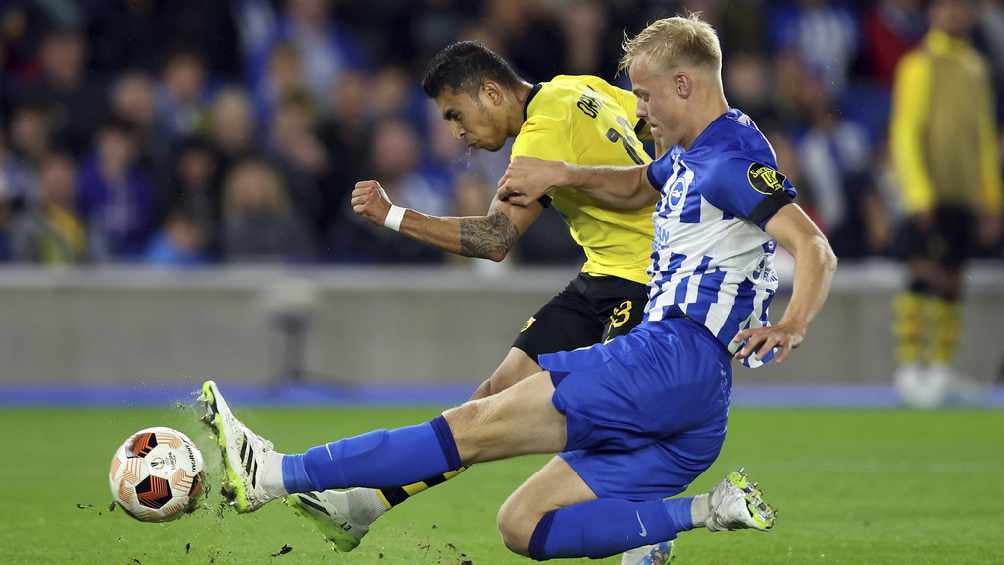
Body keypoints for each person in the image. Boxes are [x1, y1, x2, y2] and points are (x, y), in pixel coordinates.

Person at [200, 15, 838, 561]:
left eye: (646, 95)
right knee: (520, 521)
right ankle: (706, 510)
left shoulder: (720, 161)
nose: (640, 111)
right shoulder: (699, 141)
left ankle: (278, 475)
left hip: (662, 347)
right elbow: (640, 182)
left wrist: (793, 321)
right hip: (700, 397)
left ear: (684, 84)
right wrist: (566, 172)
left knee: (476, 424)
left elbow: (813, 246)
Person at [303, 40, 659, 550]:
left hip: (648, 280)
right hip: (602, 275)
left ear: (490, 91)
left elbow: (495, 239)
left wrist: (392, 215)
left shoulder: (541, 131)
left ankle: (650, 535)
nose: (457, 132)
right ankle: (368, 504)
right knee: (493, 397)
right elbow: (649, 123)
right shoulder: (578, 88)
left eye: (456, 114)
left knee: (604, 419)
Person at [889, 0, 1002, 406]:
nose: (955, 15)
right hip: (929, 193)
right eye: (948, 7)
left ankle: (939, 368)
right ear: (935, 13)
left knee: (953, 279)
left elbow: (984, 139)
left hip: (963, 193)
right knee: (922, 273)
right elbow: (906, 132)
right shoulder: (920, 64)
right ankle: (909, 369)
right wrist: (918, 193)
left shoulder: (976, 66)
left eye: (962, 8)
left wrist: (990, 198)